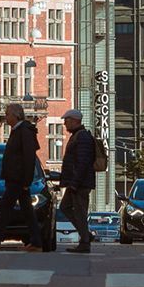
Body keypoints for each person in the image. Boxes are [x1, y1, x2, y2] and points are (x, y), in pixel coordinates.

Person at [0, 103, 43, 252]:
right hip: (16, 178)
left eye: (8, 114)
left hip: (18, 179)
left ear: (15, 115)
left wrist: (26, 181)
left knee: (5, 207)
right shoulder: (18, 131)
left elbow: (29, 157)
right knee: (26, 210)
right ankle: (36, 242)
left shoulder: (24, 132)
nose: (6, 117)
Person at [59, 108, 96, 253]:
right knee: (65, 207)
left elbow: (82, 162)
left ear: (75, 121)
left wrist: (74, 183)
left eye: (67, 121)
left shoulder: (82, 137)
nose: (65, 124)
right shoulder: (78, 136)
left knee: (80, 212)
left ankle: (85, 241)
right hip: (76, 182)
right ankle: (85, 235)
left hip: (79, 183)